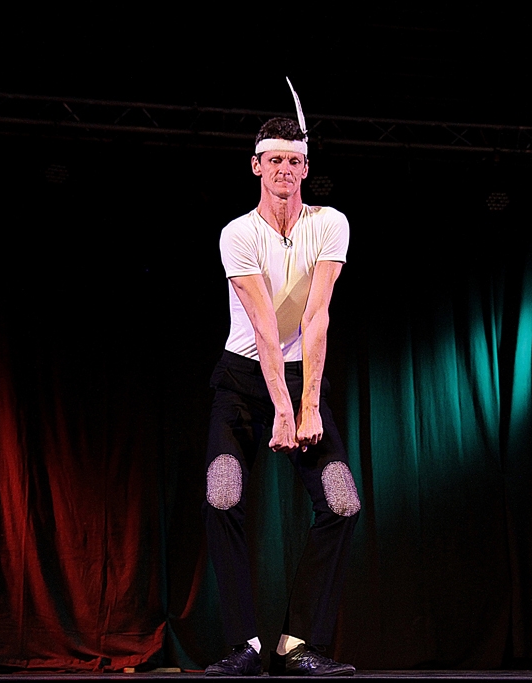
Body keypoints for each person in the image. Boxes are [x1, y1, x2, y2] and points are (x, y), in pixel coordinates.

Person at [202, 115, 360, 677]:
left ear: (306, 168)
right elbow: (266, 329)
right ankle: (243, 645)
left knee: (341, 504)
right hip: (243, 381)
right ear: (256, 166)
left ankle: (297, 644)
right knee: (222, 496)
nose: (285, 170)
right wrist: (282, 410)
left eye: (295, 161)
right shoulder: (238, 234)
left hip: (303, 377)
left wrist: (308, 404)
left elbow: (315, 317)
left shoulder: (330, 223)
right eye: (275, 160)